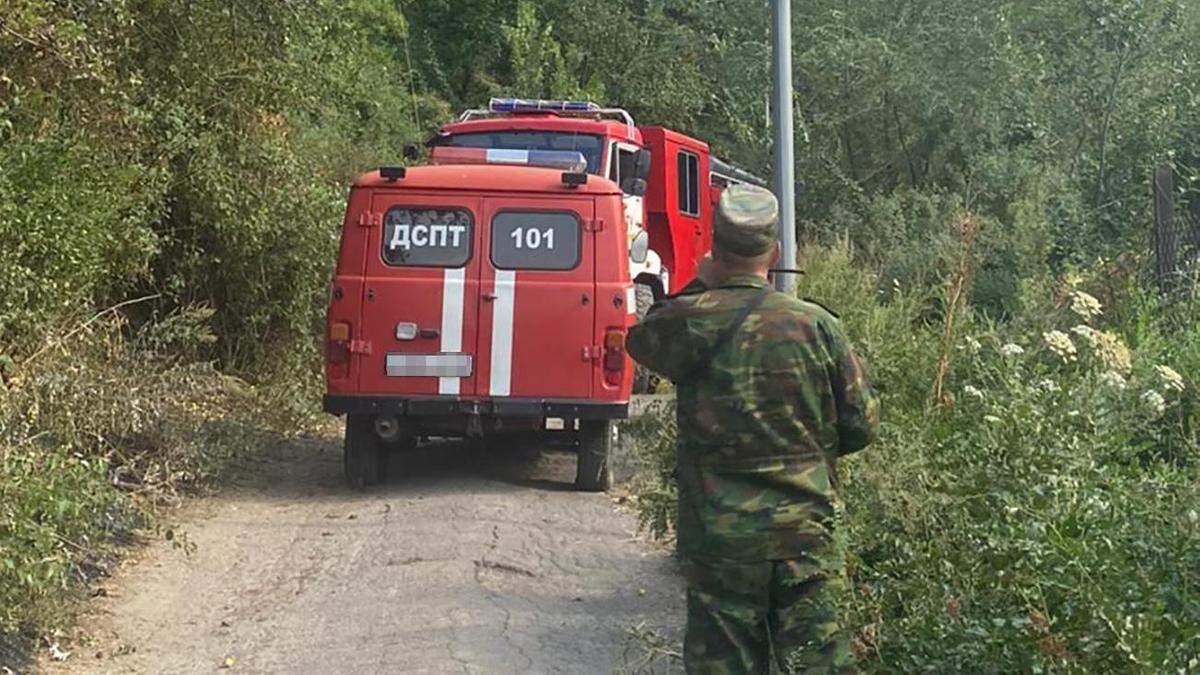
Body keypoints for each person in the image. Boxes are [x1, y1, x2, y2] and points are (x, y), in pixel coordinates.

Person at [627, 184, 879, 674]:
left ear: (715, 249)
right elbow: (862, 425)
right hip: (805, 536)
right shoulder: (816, 326)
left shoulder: (688, 321)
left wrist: (702, 285)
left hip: (721, 541)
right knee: (818, 665)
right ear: (776, 252)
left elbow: (644, 339)